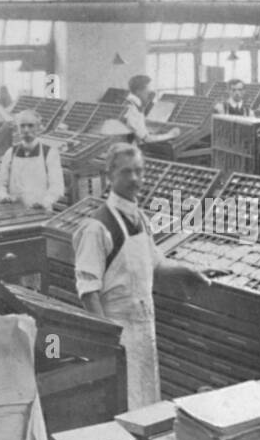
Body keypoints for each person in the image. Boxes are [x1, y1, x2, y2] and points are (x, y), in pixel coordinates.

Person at [72, 144, 210, 408]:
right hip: (118, 330)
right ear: (110, 174)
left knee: (147, 399)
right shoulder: (97, 227)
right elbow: (88, 291)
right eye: (126, 172)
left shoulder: (141, 220)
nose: (134, 179)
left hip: (145, 327)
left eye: (139, 171)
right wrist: (106, 341)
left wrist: (189, 270)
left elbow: (156, 264)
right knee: (123, 403)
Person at [0, 109, 64, 211]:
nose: (26, 130)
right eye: (22, 126)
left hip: (41, 212)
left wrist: (45, 202)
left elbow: (57, 187)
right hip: (15, 212)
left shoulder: (49, 153)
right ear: (17, 129)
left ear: (39, 128)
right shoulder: (10, 153)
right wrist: (3, 196)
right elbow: (0, 183)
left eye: (31, 126)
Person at [120, 75, 179, 145]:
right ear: (138, 91)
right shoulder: (133, 109)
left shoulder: (128, 102)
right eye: (148, 90)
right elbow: (146, 139)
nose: (151, 93)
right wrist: (171, 135)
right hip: (132, 149)